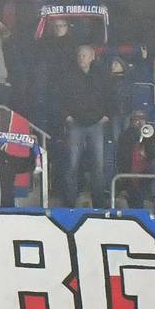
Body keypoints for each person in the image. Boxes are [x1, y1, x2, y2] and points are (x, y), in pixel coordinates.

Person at [59, 44, 110, 207]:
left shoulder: (101, 75)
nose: (81, 58)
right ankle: (69, 204)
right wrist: (66, 116)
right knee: (71, 165)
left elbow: (110, 95)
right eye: (80, 55)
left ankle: (99, 206)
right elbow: (59, 97)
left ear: (92, 57)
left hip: (96, 124)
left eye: (85, 55)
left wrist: (106, 115)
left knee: (98, 167)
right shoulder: (68, 76)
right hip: (75, 125)